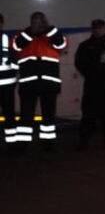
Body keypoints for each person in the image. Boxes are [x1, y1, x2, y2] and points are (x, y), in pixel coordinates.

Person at [13, 11, 67, 147]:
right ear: (30, 22)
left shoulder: (52, 34)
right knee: (26, 116)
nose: (37, 23)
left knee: (48, 115)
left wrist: (48, 29)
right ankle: (22, 144)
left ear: (44, 21)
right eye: (34, 21)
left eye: (39, 20)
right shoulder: (23, 34)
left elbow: (61, 44)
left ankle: (48, 143)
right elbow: (16, 46)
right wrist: (31, 31)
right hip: (28, 83)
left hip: (49, 83)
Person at [74, 19, 105, 148]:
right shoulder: (85, 45)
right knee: (88, 114)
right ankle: (84, 140)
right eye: (95, 28)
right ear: (92, 29)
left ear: (104, 29)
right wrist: (90, 73)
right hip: (92, 84)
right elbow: (79, 63)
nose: (98, 30)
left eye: (100, 28)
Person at [0, 14, 19, 148]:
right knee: (9, 116)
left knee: (9, 116)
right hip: (8, 85)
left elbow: (16, 63)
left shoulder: (7, 39)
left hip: (7, 85)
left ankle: (12, 144)